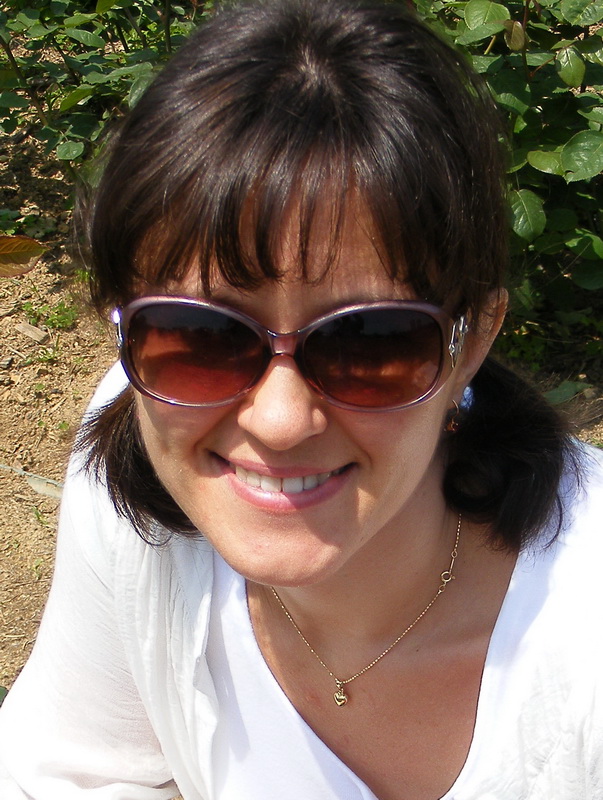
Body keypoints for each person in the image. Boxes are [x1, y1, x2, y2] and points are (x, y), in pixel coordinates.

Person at [0, 0, 601, 797]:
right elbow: (73, 770)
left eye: (371, 343)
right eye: (200, 336)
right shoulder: (139, 457)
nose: (279, 421)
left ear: (472, 342)